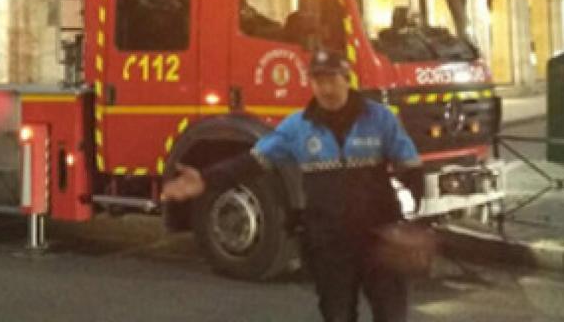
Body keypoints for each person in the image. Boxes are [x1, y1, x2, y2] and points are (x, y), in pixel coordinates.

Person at [161, 50, 425, 322]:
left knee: (391, 315)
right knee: (337, 315)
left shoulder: (379, 119)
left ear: (347, 79)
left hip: (379, 241)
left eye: (332, 80)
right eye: (318, 81)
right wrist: (206, 180)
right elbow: (252, 162)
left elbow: (412, 169)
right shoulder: (298, 127)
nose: (326, 89)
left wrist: (411, 224)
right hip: (329, 242)